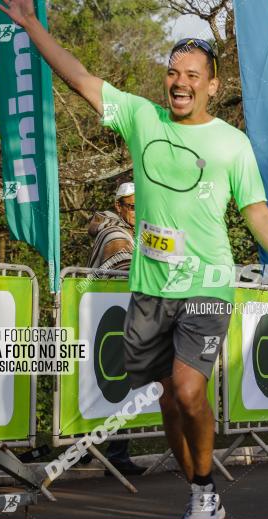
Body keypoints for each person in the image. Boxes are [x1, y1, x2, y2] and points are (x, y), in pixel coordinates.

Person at [0, 0, 268, 519]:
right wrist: (33, 25)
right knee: (169, 400)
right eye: (173, 72)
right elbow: (78, 76)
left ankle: (204, 488)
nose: (180, 82)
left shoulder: (232, 143)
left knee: (191, 390)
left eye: (192, 75)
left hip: (208, 284)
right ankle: (198, 488)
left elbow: (257, 213)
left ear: (212, 86)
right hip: (150, 288)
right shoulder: (140, 117)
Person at [84, 182, 145, 476]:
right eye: (131, 207)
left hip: (120, 319)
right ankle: (94, 450)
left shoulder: (135, 232)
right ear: (119, 207)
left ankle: (112, 453)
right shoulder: (115, 234)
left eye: (139, 206)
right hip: (106, 319)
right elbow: (124, 272)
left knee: (120, 386)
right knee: (108, 385)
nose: (136, 212)